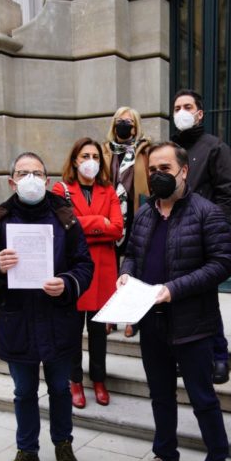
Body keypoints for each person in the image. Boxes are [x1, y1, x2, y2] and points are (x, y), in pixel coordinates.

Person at [119, 141, 231, 461]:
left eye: (165, 169)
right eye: (152, 170)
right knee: (160, 395)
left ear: (184, 171)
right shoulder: (144, 214)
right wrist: (125, 276)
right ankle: (166, 457)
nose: (158, 176)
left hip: (193, 324)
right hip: (151, 322)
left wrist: (173, 289)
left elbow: (221, 265)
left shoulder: (207, 213)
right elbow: (132, 255)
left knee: (203, 398)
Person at [0, 151, 94, 461]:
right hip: (18, 321)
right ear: (11, 181)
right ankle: (27, 450)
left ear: (47, 179)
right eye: (23, 173)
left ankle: (63, 445)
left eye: (37, 172)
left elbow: (85, 266)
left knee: (59, 388)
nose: (30, 179)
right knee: (24, 391)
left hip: (58, 319)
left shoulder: (65, 217)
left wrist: (67, 283)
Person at [51, 137, 123, 408]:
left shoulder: (109, 190)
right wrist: (98, 223)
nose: (90, 161)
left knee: (98, 333)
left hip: (103, 271)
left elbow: (117, 229)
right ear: (74, 160)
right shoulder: (61, 190)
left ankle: (99, 380)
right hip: (75, 270)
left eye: (95, 156)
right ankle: (75, 381)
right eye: (85, 156)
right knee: (72, 331)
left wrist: (83, 227)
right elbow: (61, 226)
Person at [171, 89, 231, 383]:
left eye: (187, 106)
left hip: (203, 234)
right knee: (179, 299)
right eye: (177, 107)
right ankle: (187, 355)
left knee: (206, 297)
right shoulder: (170, 148)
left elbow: (225, 195)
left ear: (199, 113)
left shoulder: (215, 147)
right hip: (173, 235)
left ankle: (219, 355)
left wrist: (214, 232)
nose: (182, 111)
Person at [101, 106, 151, 338]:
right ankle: (111, 315)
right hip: (111, 214)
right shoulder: (104, 151)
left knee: (135, 267)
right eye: (120, 120)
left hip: (136, 212)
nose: (124, 124)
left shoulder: (145, 151)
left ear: (136, 125)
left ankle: (134, 317)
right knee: (110, 267)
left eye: (129, 121)